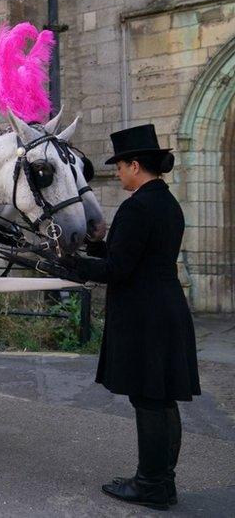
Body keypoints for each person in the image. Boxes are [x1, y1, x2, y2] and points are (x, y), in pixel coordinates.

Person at [66, 124, 200, 510]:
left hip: (145, 314)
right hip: (165, 307)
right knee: (161, 399)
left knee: (150, 400)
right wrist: (98, 245)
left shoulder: (138, 206)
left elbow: (118, 269)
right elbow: (133, 255)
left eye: (121, 166)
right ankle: (161, 481)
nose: (119, 173)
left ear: (135, 165)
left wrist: (72, 265)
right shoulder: (165, 202)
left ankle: (151, 485)